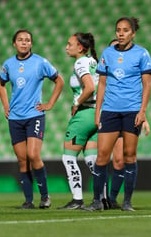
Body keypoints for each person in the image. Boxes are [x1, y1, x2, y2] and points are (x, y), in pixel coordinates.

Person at [85, 17, 151, 211]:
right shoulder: (108, 53)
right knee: (101, 156)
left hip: (132, 111)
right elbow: (102, 84)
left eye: (125, 30)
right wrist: (98, 112)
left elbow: (147, 85)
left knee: (129, 156)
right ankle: (97, 201)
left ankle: (126, 202)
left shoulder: (142, 53)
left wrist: (142, 111)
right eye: (118, 30)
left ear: (133, 33)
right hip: (110, 111)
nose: (121, 33)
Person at [0, 29, 64, 209]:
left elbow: (59, 81)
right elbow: (1, 83)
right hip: (15, 118)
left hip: (34, 115)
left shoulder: (40, 62)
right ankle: (28, 201)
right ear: (14, 44)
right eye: (20, 40)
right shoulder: (8, 64)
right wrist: (6, 106)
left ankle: (45, 197)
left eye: (27, 40)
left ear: (31, 44)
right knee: (22, 160)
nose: (24, 42)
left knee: (33, 155)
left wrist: (49, 103)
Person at [59, 32, 99, 210]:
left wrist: (77, 102)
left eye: (70, 44)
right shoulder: (92, 61)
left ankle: (77, 199)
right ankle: (101, 198)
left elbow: (90, 87)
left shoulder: (80, 62)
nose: (67, 47)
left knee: (68, 157)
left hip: (85, 114)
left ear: (81, 47)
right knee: (92, 160)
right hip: (97, 114)